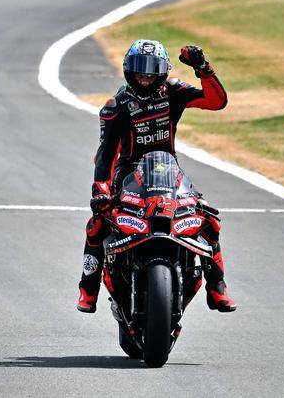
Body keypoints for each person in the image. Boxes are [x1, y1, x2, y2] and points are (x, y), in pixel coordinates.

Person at [77, 39, 236, 313]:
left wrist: (202, 68)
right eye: (140, 71)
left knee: (207, 217)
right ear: (129, 71)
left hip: (168, 170)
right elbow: (105, 154)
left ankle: (217, 287)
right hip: (128, 175)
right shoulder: (116, 106)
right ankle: (88, 290)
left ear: (162, 72)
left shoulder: (173, 91)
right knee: (98, 223)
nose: (145, 77)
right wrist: (100, 190)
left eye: (151, 71)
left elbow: (216, 102)